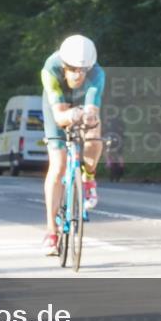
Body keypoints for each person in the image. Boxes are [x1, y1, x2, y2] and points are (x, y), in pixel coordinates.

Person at [40, 35, 106, 256]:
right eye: (74, 70)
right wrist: (71, 115)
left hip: (81, 102)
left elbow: (93, 108)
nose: (79, 75)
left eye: (83, 70)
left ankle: (88, 178)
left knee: (95, 133)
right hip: (57, 106)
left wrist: (88, 116)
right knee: (57, 166)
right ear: (64, 65)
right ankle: (51, 231)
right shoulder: (50, 69)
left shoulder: (97, 73)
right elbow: (59, 117)